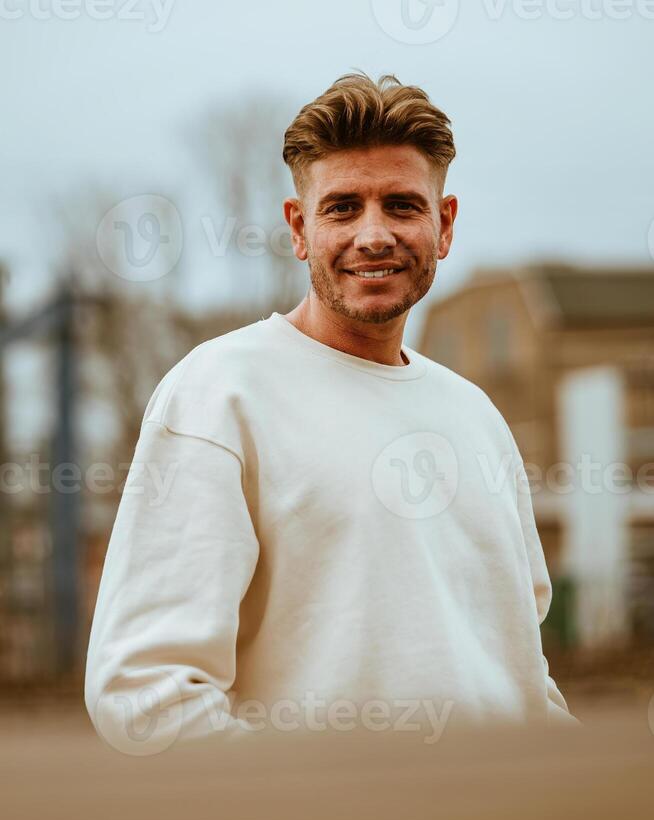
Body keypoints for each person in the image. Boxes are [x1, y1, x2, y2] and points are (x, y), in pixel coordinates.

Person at [84, 71, 576, 754]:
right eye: (343, 207)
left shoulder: (477, 418)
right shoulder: (221, 395)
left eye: (403, 205)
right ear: (298, 228)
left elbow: (522, 679)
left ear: (445, 225)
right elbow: (145, 692)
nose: (373, 235)